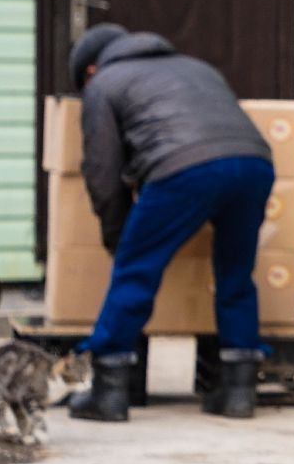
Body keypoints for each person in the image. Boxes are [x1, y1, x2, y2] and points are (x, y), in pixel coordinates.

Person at [65, 24, 275, 422]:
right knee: (235, 274)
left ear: (90, 71)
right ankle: (238, 392)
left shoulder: (104, 84)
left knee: (136, 272)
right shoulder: (197, 66)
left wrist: (118, 238)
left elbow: (103, 173)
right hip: (254, 164)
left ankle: (108, 391)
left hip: (184, 169)